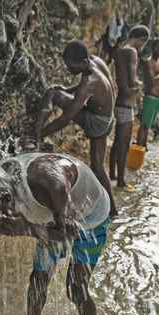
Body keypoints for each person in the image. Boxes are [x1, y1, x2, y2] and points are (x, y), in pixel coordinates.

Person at [0, 152, 112, 315]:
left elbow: (68, 233)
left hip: (91, 217)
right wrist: (0, 227)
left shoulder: (49, 183)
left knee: (76, 290)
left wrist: (24, 228)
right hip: (53, 219)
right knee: (38, 279)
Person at [37, 40, 117, 216]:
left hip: (98, 122)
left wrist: (40, 134)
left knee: (55, 94)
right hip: (107, 117)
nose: (68, 69)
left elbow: (66, 118)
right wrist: (69, 88)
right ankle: (113, 210)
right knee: (98, 166)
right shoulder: (95, 61)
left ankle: (110, 209)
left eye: (69, 65)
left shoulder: (89, 81)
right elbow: (92, 88)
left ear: (81, 62)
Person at [109, 25, 149, 189]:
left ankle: (112, 173)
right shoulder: (132, 52)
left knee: (117, 141)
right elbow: (132, 81)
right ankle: (121, 181)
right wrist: (139, 85)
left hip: (117, 101)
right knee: (124, 144)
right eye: (143, 43)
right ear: (141, 39)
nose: (142, 47)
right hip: (126, 102)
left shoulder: (119, 50)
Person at [136, 37, 159, 149]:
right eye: (158, 47)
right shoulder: (149, 62)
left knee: (148, 125)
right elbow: (152, 81)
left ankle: (144, 144)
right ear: (153, 48)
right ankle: (139, 145)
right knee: (144, 125)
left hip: (158, 97)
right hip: (150, 97)